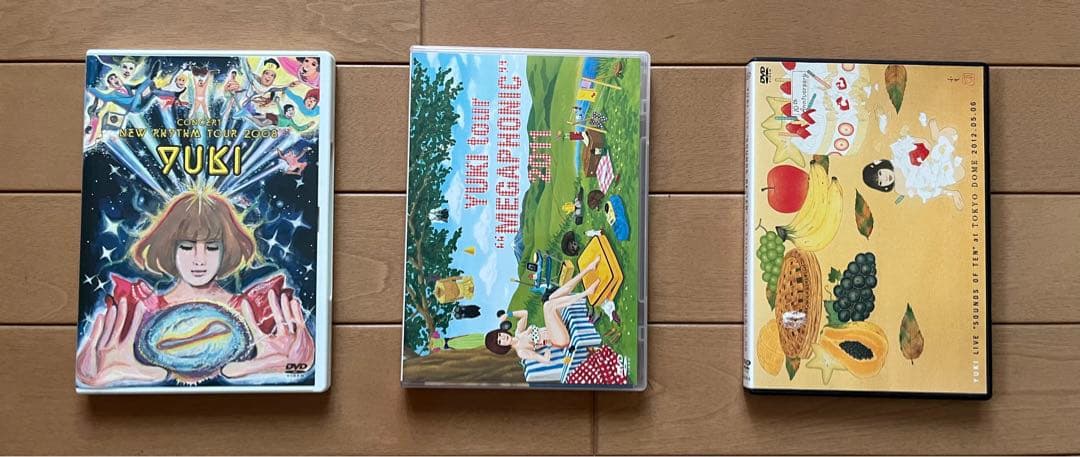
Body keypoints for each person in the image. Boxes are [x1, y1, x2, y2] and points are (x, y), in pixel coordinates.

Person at [75, 190, 315, 387]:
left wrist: (293, 364)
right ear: (169, 248)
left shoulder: (254, 311)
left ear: (227, 250)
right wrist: (94, 375)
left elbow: (297, 368)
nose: (199, 260)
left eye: (212, 247)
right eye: (187, 247)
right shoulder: (139, 311)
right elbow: (88, 375)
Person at [484, 258, 600, 363]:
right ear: (501, 347)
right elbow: (544, 359)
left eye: (500, 335)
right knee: (547, 306)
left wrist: (508, 314)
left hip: (557, 328)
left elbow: (525, 314)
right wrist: (546, 352)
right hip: (559, 340)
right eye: (500, 341)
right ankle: (586, 293)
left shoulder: (519, 333)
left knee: (552, 297)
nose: (503, 338)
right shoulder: (521, 351)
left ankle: (588, 269)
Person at [862, 118, 963, 209]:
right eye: (880, 182)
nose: (884, 178)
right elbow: (925, 191)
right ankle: (938, 140)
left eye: (880, 173)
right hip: (934, 177)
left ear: (881, 166)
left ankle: (936, 137)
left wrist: (925, 154)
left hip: (930, 159)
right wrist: (952, 193)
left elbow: (910, 143)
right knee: (960, 173)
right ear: (883, 187)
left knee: (951, 132)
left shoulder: (897, 156)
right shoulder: (899, 188)